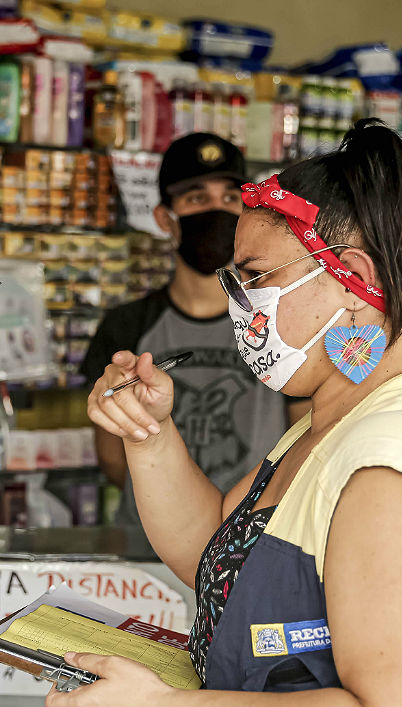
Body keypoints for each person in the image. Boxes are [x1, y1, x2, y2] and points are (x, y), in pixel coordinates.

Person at [53, 120, 402, 707]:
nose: (243, 306)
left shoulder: (386, 471)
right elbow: (221, 558)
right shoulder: (336, 426)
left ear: (353, 278)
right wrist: (149, 434)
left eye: (258, 276)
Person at [80, 133, 308, 528]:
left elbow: (303, 436)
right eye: (197, 198)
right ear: (165, 218)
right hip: (147, 541)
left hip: (248, 539)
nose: (216, 210)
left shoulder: (279, 320)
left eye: (229, 198)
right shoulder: (126, 326)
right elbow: (113, 457)